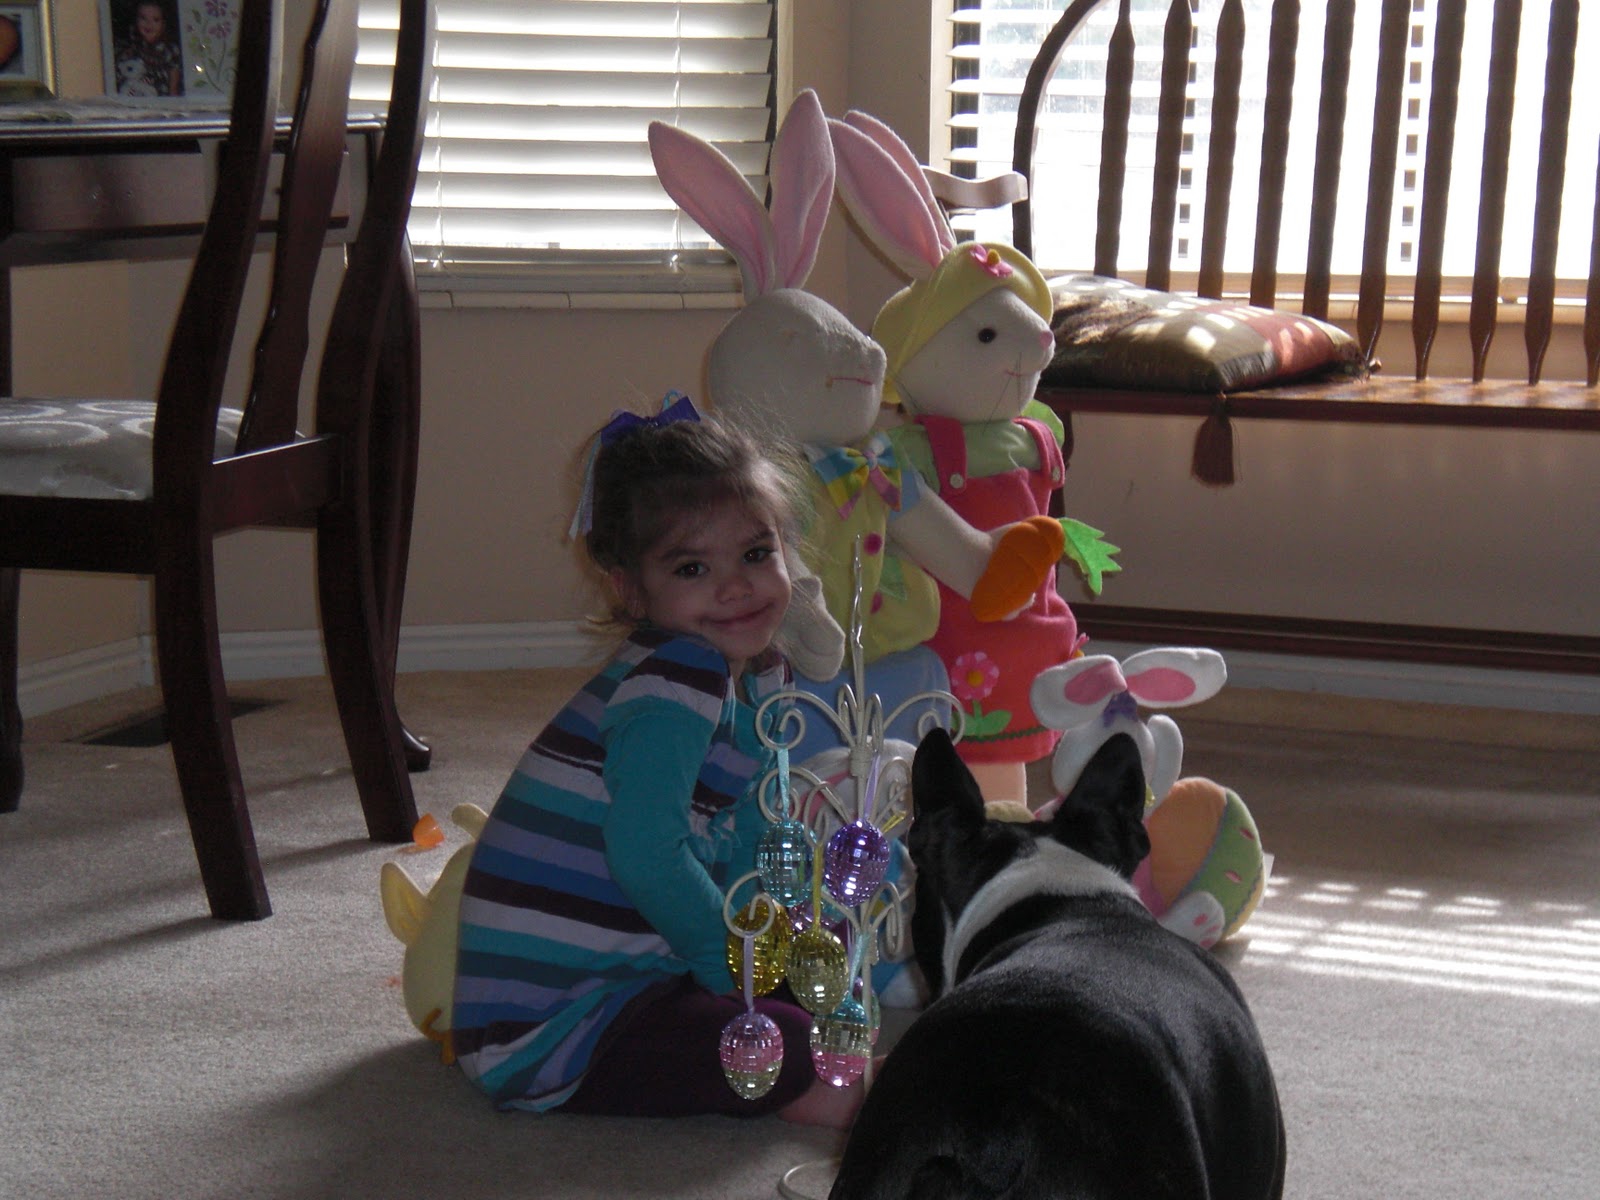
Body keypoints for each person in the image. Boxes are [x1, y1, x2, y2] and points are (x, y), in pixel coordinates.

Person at [450, 396, 865, 1126]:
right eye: (692, 567)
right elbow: (646, 853)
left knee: (819, 964)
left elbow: (742, 835)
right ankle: (830, 1090)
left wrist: (772, 940)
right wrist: (733, 971)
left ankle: (815, 1056)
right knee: (780, 1042)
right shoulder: (676, 678)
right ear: (631, 589)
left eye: (756, 554)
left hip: (639, 967)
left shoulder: (754, 674)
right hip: (552, 1030)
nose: (735, 586)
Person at [115, 1, 183, 98]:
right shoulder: (130, 48)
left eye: (156, 20)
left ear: (163, 24)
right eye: (143, 18)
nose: (149, 24)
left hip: (160, 101)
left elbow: (174, 87)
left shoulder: (170, 50)